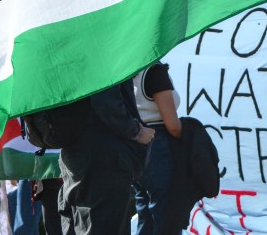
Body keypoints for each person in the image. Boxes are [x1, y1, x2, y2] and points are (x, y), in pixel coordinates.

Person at [57, 79, 154, 235]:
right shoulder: (98, 57)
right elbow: (105, 101)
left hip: (75, 154)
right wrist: (136, 131)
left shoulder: (65, 58)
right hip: (103, 157)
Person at [132, 63, 182, 235]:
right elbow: (173, 125)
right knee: (164, 210)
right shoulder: (154, 71)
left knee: (145, 208)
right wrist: (191, 137)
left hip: (136, 142)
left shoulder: (129, 68)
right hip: (157, 142)